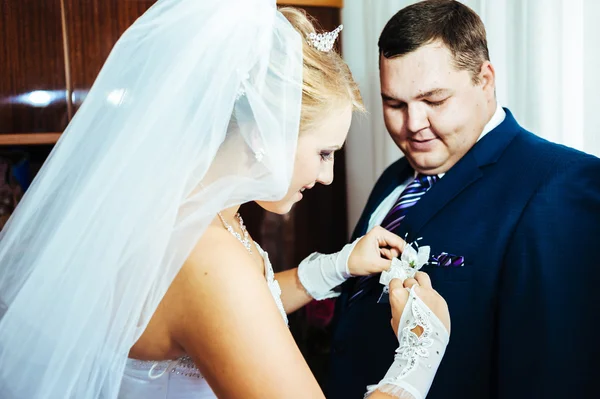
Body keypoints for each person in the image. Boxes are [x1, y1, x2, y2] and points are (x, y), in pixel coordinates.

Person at [0, 1, 450, 398]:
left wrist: (336, 266)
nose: (328, 176)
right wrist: (421, 348)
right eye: (323, 152)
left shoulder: (195, 211)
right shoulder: (208, 258)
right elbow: (222, 294)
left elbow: (235, 311)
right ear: (263, 133)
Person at [326, 1, 600, 398]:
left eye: (434, 101)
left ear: (485, 79)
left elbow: (557, 373)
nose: (413, 125)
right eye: (394, 104)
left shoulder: (560, 185)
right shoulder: (395, 178)